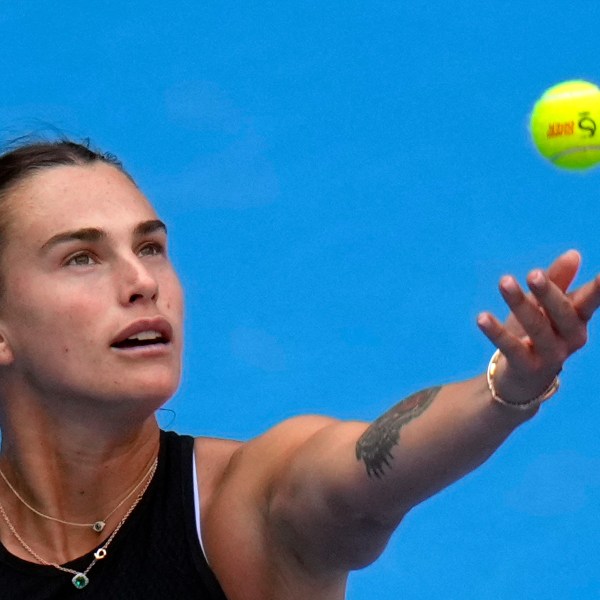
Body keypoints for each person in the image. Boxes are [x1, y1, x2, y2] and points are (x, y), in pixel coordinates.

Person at [0, 139, 597, 600]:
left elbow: (360, 475)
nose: (141, 283)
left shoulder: (245, 507)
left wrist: (503, 390)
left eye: (150, 247)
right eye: (81, 258)